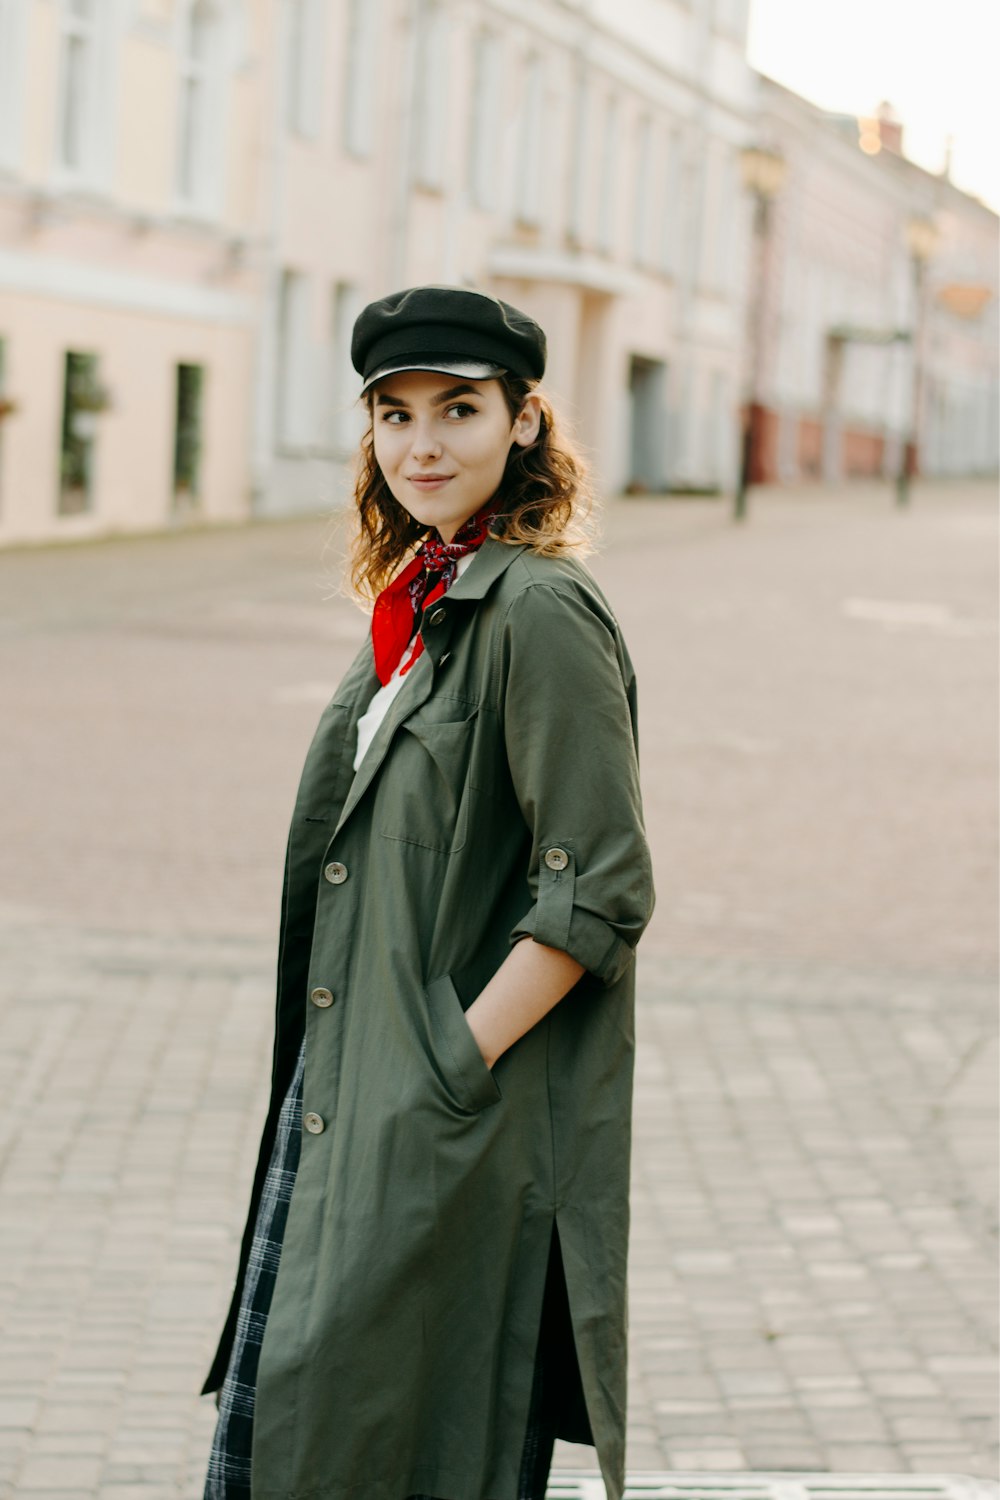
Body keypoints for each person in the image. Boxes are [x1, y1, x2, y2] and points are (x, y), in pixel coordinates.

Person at [199, 284, 655, 1500]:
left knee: (398, 1444)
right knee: (310, 1439)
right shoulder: (417, 608)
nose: (422, 444)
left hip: (434, 1114)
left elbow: (595, 888)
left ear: (522, 421)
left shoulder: (539, 609)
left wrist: (441, 1069)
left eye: (458, 409)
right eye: (393, 415)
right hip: (346, 1100)